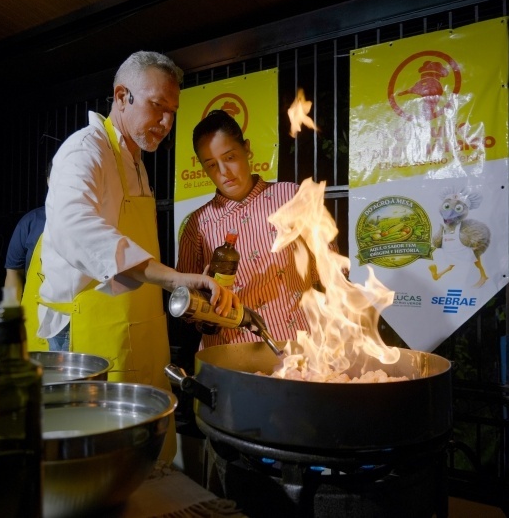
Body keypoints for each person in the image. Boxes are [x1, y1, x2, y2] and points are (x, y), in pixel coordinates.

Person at [30, 52, 237, 464]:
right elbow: (73, 224)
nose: (166, 122)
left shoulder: (136, 163)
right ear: (122, 96)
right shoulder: (85, 150)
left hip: (138, 328)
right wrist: (171, 278)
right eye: (158, 106)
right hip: (87, 336)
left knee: (139, 453)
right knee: (97, 455)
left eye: (173, 112)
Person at [177, 109, 327, 350]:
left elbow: (328, 272)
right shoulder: (198, 224)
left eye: (229, 157)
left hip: (294, 346)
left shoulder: (292, 198)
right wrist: (202, 300)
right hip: (226, 352)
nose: (223, 172)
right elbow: (186, 300)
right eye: (211, 165)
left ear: (246, 148)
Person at [3, 161, 51, 304]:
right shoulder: (31, 222)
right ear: (48, 180)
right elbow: (13, 273)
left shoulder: (99, 222)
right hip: (35, 311)